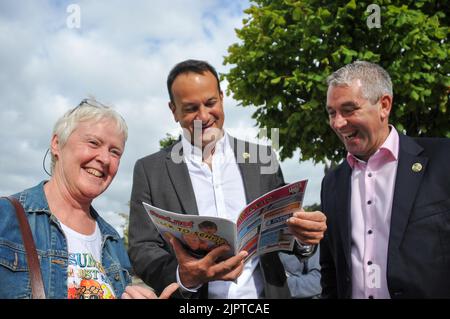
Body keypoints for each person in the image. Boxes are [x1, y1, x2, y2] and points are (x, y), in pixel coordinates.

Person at [128, 59, 327, 299]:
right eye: (191, 108)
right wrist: (184, 276)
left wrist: (304, 237)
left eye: (210, 103)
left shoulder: (262, 159)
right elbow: (142, 247)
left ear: (222, 97)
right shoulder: (150, 170)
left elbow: (287, 232)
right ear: (173, 111)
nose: (204, 116)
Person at [0, 98, 178, 299]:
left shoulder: (113, 243)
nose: (104, 159)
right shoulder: (6, 218)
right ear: (57, 144)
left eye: (115, 151)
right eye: (93, 143)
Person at [321, 61, 450, 298]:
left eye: (349, 110)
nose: (338, 123)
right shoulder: (332, 183)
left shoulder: (443, 159)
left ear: (384, 105)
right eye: (332, 113)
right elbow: (331, 269)